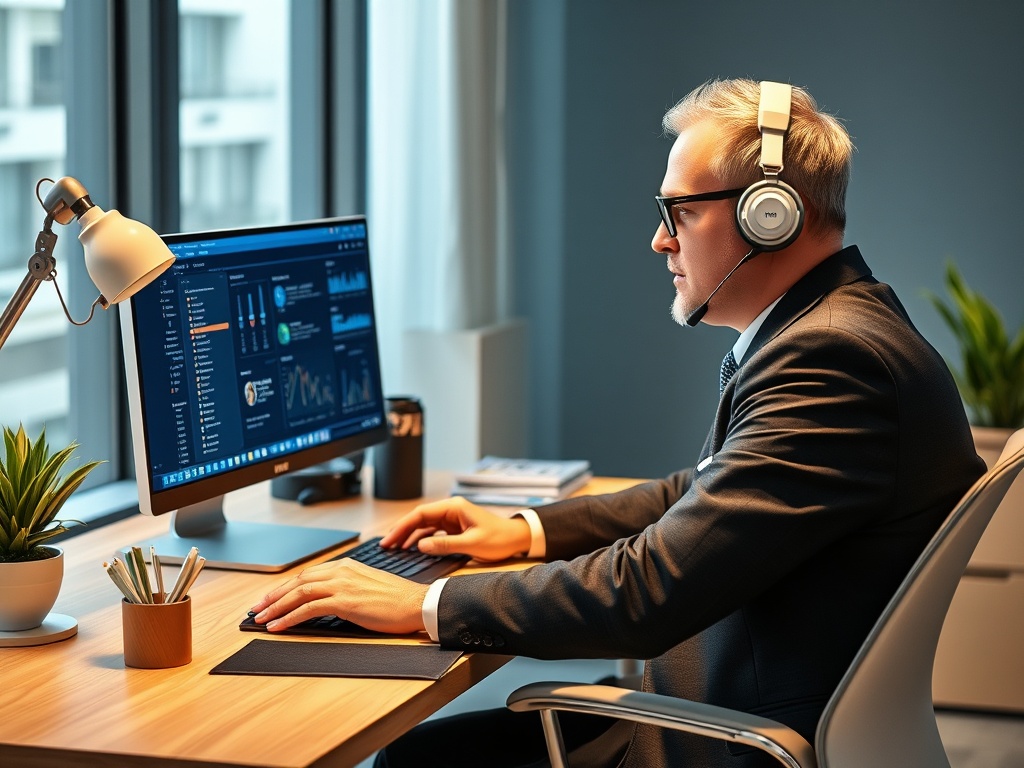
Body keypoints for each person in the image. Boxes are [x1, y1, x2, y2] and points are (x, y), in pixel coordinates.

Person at [250, 79, 985, 767]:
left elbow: (649, 591)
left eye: (681, 213)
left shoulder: (829, 360)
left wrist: (424, 602)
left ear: (771, 214)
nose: (661, 241)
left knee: (420, 757)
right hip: (752, 700)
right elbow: (701, 492)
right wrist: (526, 530)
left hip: (734, 735)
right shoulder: (833, 328)